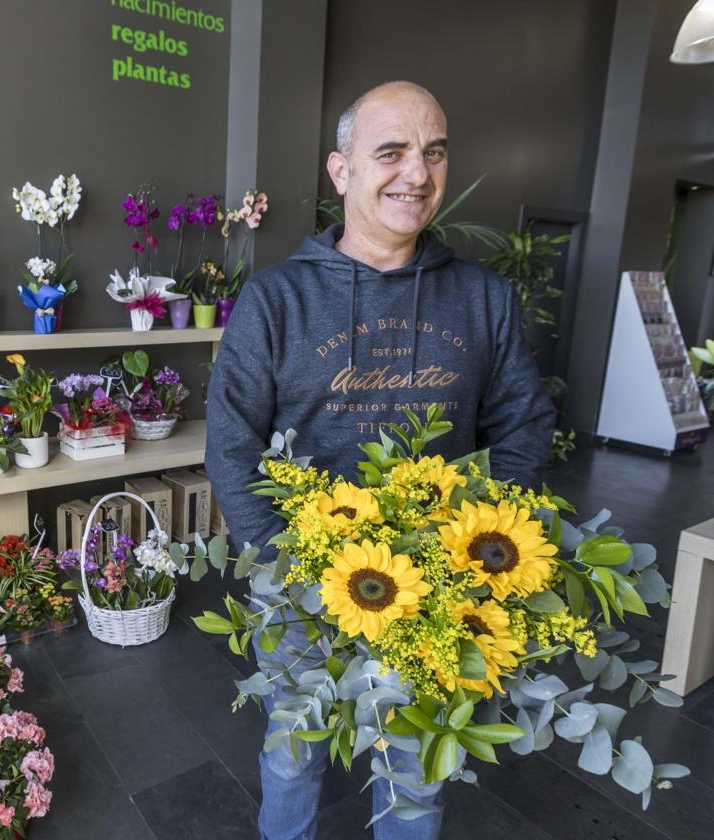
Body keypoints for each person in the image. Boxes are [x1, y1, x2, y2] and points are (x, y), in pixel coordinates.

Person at [205, 81, 556, 840]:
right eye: (390, 152)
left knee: (415, 764)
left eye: (433, 153)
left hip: (436, 587)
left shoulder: (483, 299)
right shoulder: (274, 302)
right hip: (301, 582)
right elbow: (232, 442)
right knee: (294, 752)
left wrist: (477, 550)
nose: (417, 174)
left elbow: (525, 423)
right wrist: (286, 563)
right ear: (341, 171)